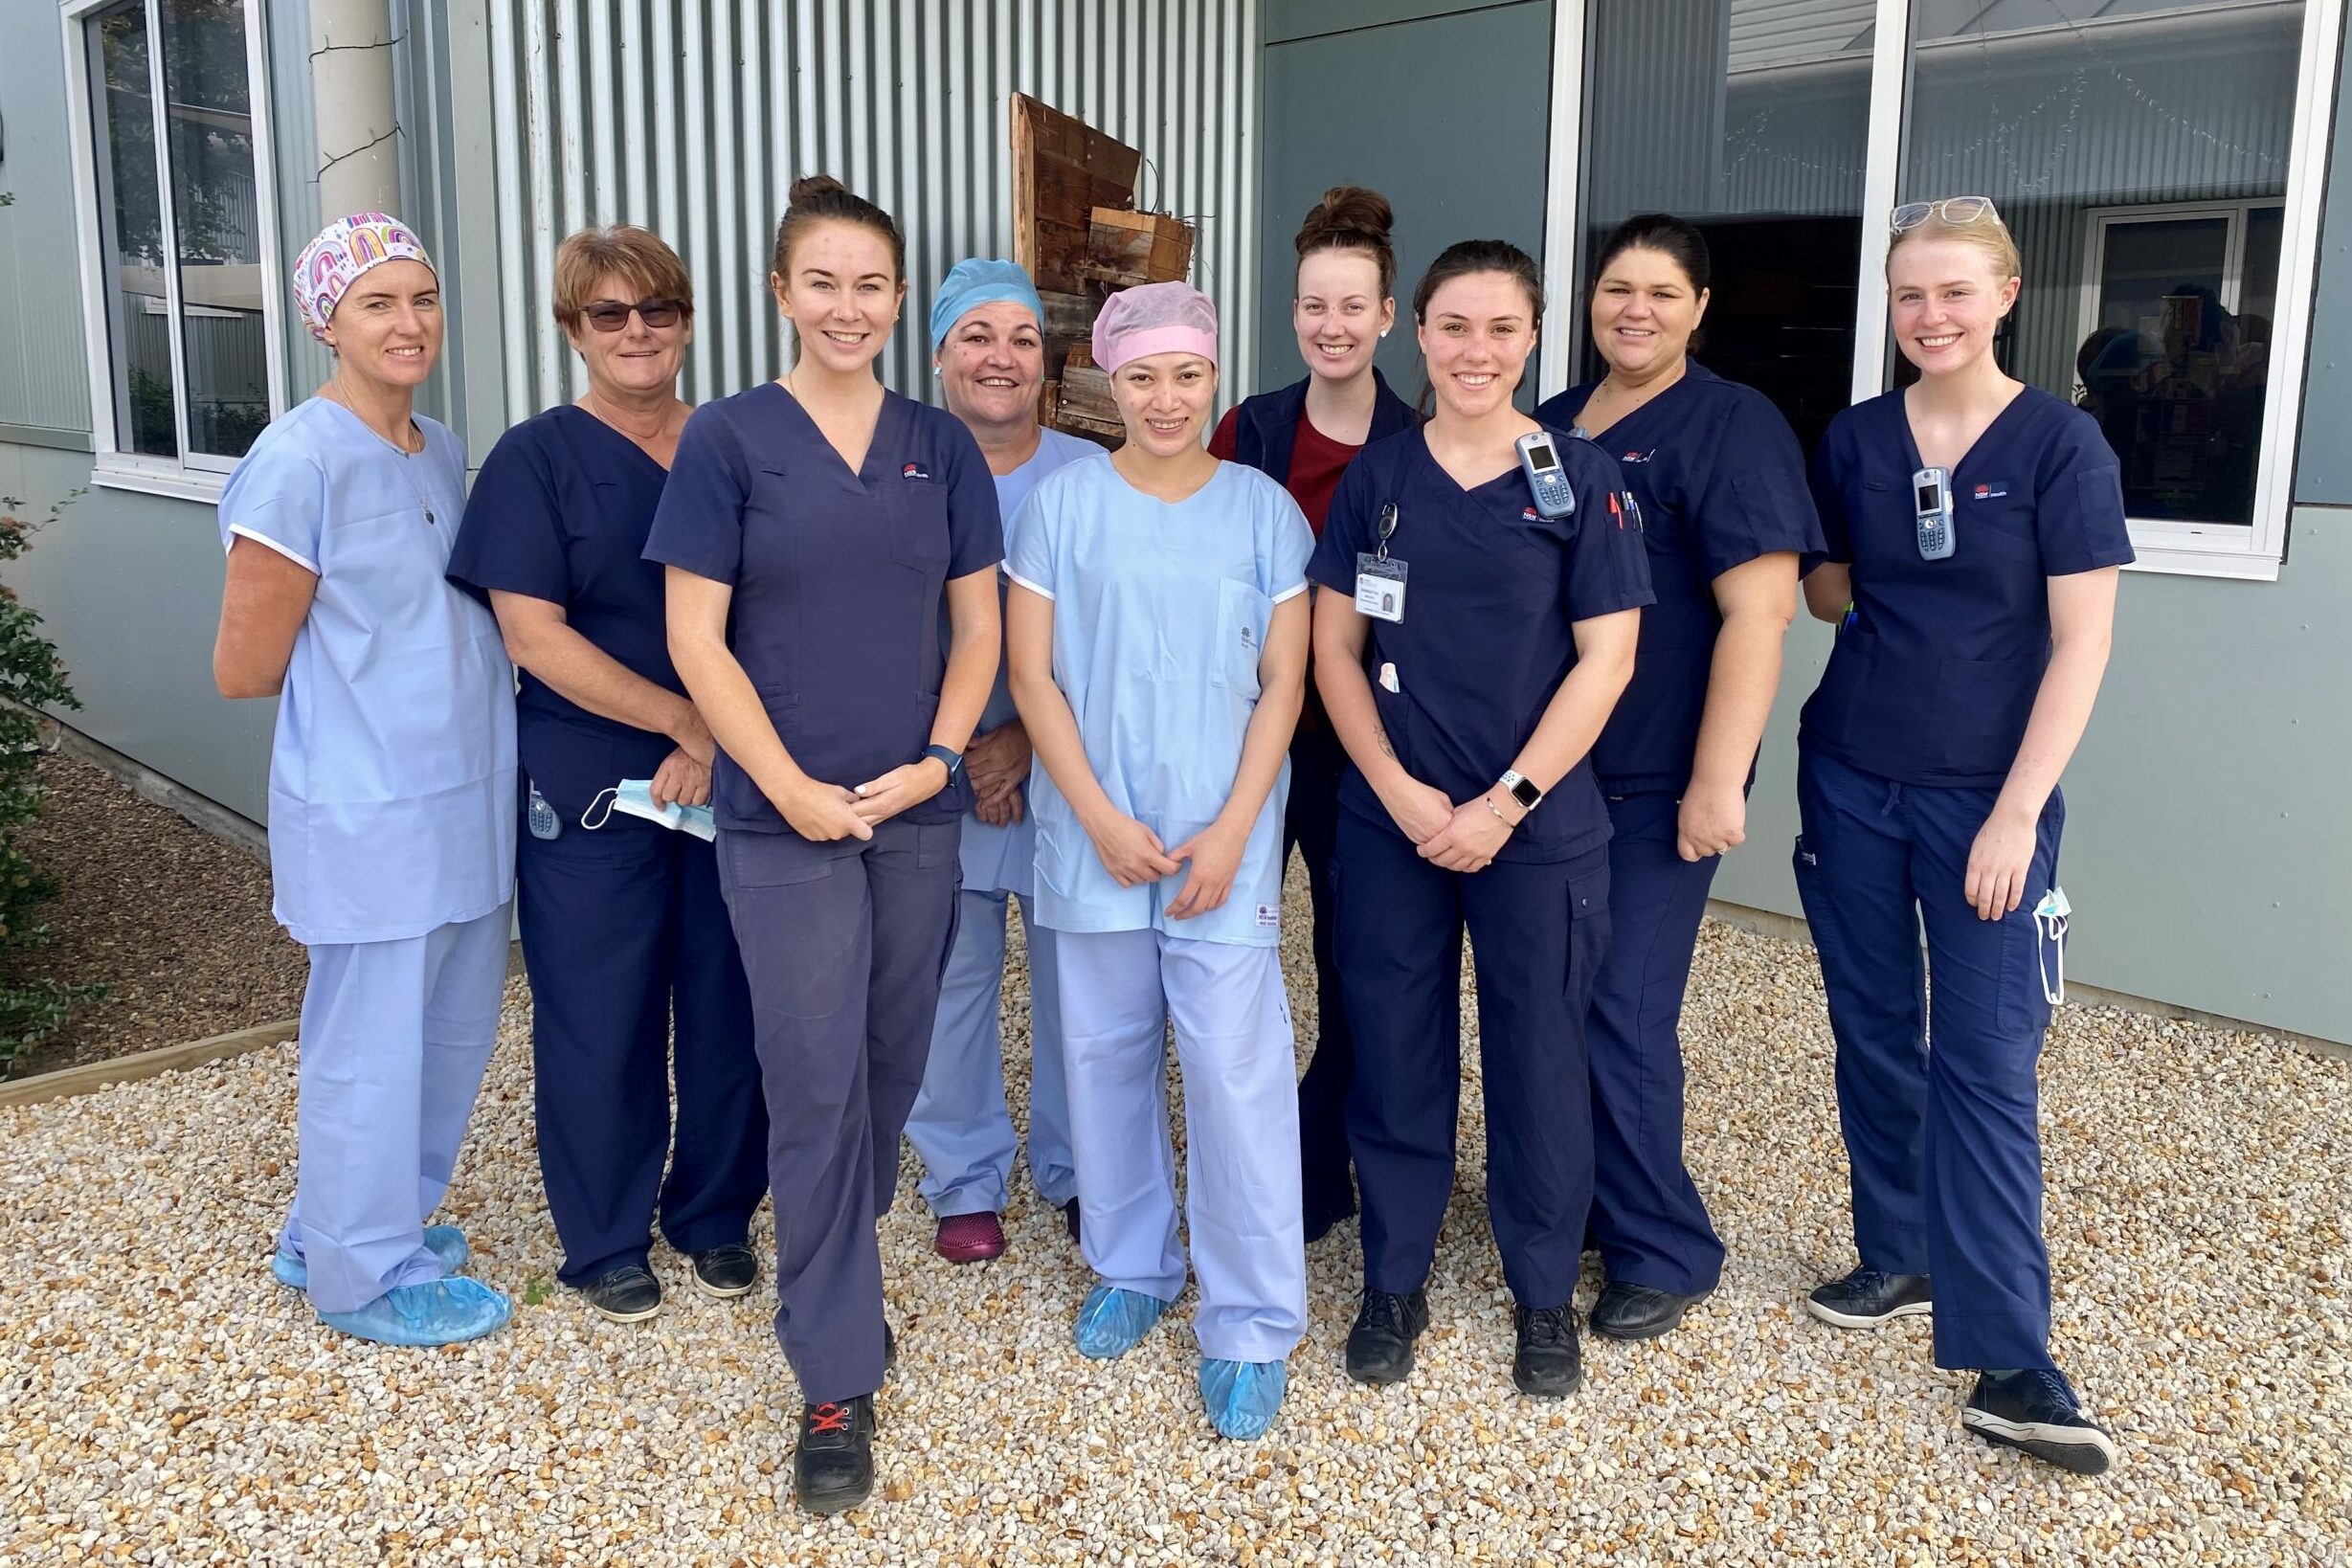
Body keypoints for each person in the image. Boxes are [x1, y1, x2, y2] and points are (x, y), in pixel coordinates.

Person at [645, 175, 1002, 1514]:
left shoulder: (939, 445)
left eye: (870, 284)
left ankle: (834, 1269)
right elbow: (695, 636)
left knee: (886, 1065)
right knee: (812, 1080)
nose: (846, 306)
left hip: (914, 810)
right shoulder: (731, 441)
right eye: (822, 282)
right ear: (781, 294)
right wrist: (785, 783)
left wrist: (940, 756)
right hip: (779, 819)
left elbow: (977, 630)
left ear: (897, 301)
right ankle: (837, 1368)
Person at [1798, 195, 2131, 1475]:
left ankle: (2013, 1357)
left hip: (1984, 801)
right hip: (1849, 780)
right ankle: (1899, 1252)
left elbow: (2082, 642)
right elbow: (1833, 589)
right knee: (1874, 1030)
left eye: (1952, 292)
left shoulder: (2060, 447)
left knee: (1984, 1062)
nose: (1929, 317)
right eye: (1907, 297)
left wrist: (2013, 812)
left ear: (2004, 294)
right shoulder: (1857, 436)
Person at [1311, 239, 1649, 1400]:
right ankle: (1393, 1274)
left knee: (1541, 1059)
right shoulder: (1381, 480)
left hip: (1536, 833)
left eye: (1501, 329)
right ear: (1419, 332)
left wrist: (1505, 804)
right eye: (1454, 327)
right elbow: (1335, 653)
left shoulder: (1582, 476)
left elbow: (1607, 662)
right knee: (1395, 1053)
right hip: (1392, 825)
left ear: (1535, 337)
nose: (1476, 351)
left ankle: (1543, 1293)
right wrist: (1402, 794)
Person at [1003, 281, 1314, 1442]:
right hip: (1097, 837)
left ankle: (1250, 1319)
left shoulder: (1264, 513)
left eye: (1187, 375)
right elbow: (1033, 678)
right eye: (1142, 377)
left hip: (1218, 839)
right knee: (1103, 1056)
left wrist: (1236, 827)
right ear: (1106, 383)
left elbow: (1284, 682)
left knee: (1237, 1081)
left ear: (1214, 376)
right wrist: (1093, 814)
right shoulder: (1061, 512)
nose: (1167, 398)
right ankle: (1134, 1264)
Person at [446, 224, 767, 1326]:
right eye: (609, 315)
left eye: (659, 310)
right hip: (595, 788)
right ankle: (605, 1238)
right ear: (573, 329)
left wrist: (720, 742)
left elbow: (781, 605)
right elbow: (533, 634)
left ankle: (716, 1212)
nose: (638, 332)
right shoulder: (537, 460)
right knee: (600, 1012)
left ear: (687, 319)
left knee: (733, 1003)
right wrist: (688, 721)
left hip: (735, 778)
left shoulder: (736, 442)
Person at [212, 213, 515, 1347]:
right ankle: (359, 1272)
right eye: (377, 302)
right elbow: (245, 665)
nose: (407, 322)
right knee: (369, 1047)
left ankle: (347, 1222)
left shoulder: (433, 443)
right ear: (324, 320)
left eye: (422, 298)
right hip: (371, 808)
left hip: (464, 797)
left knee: (443, 1034)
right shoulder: (299, 458)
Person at [1532, 214, 1823, 1342]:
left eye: (1661, 291)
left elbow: (1761, 611)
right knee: (1554, 998)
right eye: (1616, 288)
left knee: (1626, 1005)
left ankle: (1665, 1246)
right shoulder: (1549, 425)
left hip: (1658, 778)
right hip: (1552, 773)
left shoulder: (1732, 426)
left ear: (1700, 308)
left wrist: (1720, 779)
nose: (1635, 310)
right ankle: (1589, 1198)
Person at [1209, 186, 1418, 1243]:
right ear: (1293, 313)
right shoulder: (1251, 429)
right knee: (1231, 952)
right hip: (1251, 736)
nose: (1331, 326)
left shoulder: (1425, 443)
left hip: (1363, 750)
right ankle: (1240, 1159)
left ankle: (1324, 1159)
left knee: (1356, 962)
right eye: (1312, 306)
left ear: (1388, 317)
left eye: (1353, 306)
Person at [903, 258, 1099, 1263]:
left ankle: (1079, 1168)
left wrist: (1023, 738)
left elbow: (1106, 642)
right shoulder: (895, 465)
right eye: (976, 336)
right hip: (933, 772)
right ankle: (963, 1175)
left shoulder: (1090, 477)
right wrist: (959, 752)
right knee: (951, 977)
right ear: (937, 353)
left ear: (1047, 361)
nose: (1001, 356)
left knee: (1080, 982)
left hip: (1061, 774)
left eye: (1021, 338)